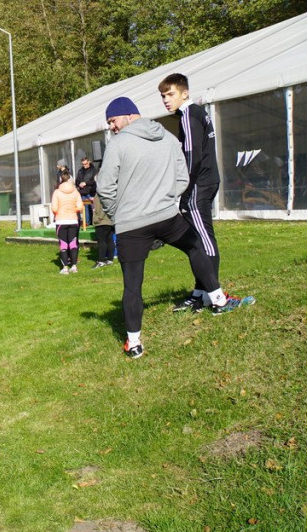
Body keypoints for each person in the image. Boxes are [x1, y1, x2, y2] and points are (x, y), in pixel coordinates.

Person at [97, 97, 252, 359]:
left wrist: (116, 214)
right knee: (195, 247)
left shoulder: (118, 143)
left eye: (113, 120)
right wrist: (168, 199)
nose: (112, 126)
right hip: (167, 217)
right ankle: (218, 300)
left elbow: (104, 188)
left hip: (132, 225)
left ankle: (133, 343)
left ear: (129, 115)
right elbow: (183, 177)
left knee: (133, 285)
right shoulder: (167, 137)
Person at [159, 73, 223, 313]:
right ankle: (201, 292)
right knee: (199, 240)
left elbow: (192, 157)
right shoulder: (199, 112)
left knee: (203, 241)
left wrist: (184, 188)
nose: (166, 100)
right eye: (163, 96)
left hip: (198, 185)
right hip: (207, 182)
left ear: (184, 93)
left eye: (170, 94)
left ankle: (214, 296)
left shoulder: (188, 115)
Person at [51, 173, 84, 274]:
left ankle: (65, 267)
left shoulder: (56, 192)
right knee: (73, 243)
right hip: (73, 220)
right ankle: (74, 266)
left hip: (61, 220)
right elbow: (80, 206)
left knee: (63, 244)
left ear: (60, 180)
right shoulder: (75, 191)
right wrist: (72, 210)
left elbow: (54, 208)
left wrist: (59, 212)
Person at [91, 196, 115, 268]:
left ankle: (101, 261)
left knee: (101, 240)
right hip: (110, 220)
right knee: (109, 239)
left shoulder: (100, 193)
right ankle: (110, 259)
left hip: (102, 221)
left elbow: (103, 206)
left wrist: (99, 217)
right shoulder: (110, 193)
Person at [75, 157, 97, 227]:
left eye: (85, 164)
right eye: (83, 164)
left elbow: (94, 181)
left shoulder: (93, 170)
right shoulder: (80, 171)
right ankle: (87, 222)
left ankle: (95, 222)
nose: (84, 166)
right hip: (83, 192)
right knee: (85, 208)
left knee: (94, 208)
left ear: (89, 162)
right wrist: (79, 184)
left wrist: (86, 183)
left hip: (91, 192)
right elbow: (77, 181)